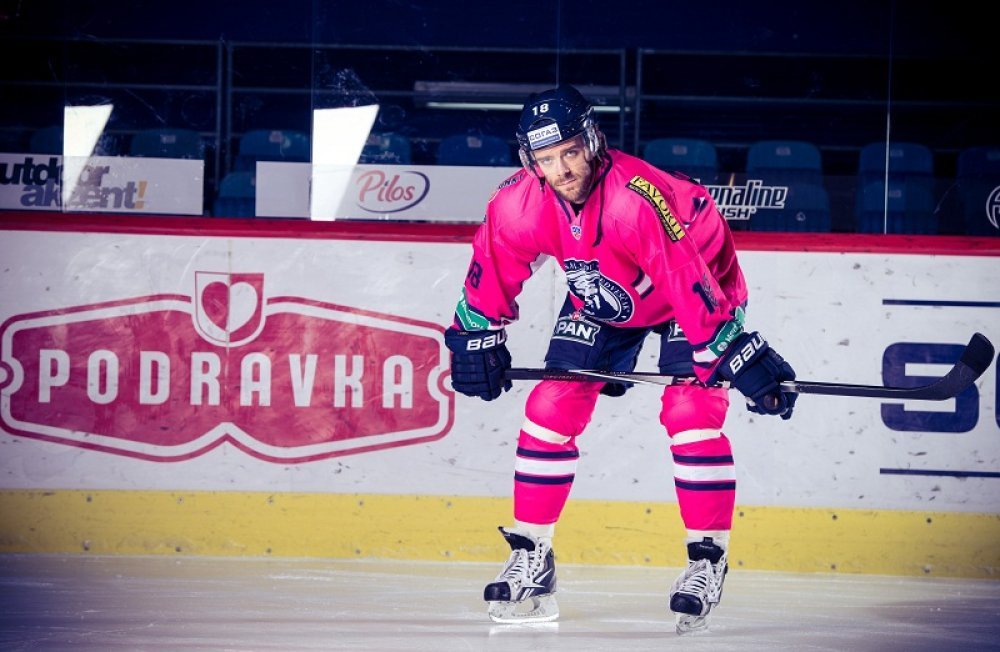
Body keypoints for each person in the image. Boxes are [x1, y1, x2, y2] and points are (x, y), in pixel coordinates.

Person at [443, 84, 797, 633]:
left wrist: (735, 351)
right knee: (550, 406)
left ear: (592, 141)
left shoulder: (636, 200)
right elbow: (492, 267)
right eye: (546, 158)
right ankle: (533, 555)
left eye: (569, 152)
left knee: (690, 411)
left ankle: (708, 559)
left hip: (695, 279)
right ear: (530, 161)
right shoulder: (516, 203)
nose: (561, 169)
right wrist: (475, 333)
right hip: (605, 290)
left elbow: (686, 280)